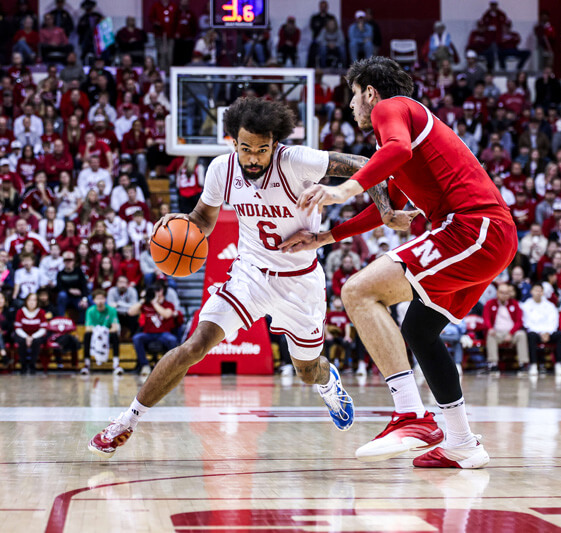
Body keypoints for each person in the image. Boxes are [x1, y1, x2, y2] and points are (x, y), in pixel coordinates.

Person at [88, 97, 406, 458]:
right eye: (246, 149)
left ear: (275, 143)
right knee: (195, 346)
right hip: (249, 275)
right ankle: (125, 421)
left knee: (307, 371)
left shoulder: (296, 160)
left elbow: (365, 164)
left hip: (299, 281)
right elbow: (203, 221)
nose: (253, 157)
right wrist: (178, 224)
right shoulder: (221, 170)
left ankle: (328, 384)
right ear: (232, 142)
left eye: (262, 149)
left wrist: (386, 208)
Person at [280, 57, 517, 469]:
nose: (350, 106)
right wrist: (323, 238)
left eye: (352, 96)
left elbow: (396, 152)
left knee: (358, 290)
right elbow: (387, 207)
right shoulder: (396, 137)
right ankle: (462, 442)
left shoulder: (393, 109)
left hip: (473, 227)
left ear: (369, 92)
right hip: (484, 235)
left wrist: (344, 189)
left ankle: (411, 415)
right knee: (419, 330)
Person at [483, 282, 528, 374]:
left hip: (512, 333)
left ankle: (522, 364)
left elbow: (519, 321)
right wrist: (490, 328)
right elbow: (486, 319)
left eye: (506, 293)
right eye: (502, 292)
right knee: (490, 335)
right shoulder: (490, 304)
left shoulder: (515, 304)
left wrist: (511, 333)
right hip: (497, 333)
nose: (504, 295)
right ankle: (493, 364)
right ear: (497, 293)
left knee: (522, 334)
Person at [521, 282, 561, 376]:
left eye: (540, 291)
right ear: (531, 292)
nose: (538, 293)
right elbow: (526, 323)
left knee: (560, 335)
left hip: (548, 332)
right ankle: (533, 364)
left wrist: (547, 332)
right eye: (536, 290)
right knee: (531, 336)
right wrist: (540, 333)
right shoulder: (526, 305)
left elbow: (554, 321)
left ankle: (559, 364)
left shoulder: (550, 305)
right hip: (535, 332)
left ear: (543, 292)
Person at [83, 289, 121, 375]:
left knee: (115, 336)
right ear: (93, 300)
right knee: (87, 335)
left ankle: (116, 364)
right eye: (98, 298)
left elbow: (115, 327)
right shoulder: (90, 311)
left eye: (102, 298)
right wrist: (98, 331)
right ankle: (86, 364)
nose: (100, 301)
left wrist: (104, 331)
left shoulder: (111, 310)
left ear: (105, 299)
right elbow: (88, 328)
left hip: (107, 335)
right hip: (95, 336)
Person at [13, 292, 47, 374]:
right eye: (30, 300)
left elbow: (43, 329)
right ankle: (23, 365)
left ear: (37, 302)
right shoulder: (20, 312)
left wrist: (33, 337)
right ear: (26, 301)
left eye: (34, 300)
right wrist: (26, 337)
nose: (32, 302)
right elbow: (18, 328)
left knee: (37, 341)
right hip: (23, 334)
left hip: (36, 335)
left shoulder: (41, 312)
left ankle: (32, 365)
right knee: (21, 341)